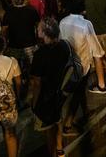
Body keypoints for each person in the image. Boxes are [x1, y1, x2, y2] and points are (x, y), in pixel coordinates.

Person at [59, 0, 106, 135]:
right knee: (78, 94)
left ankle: (59, 121)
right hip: (82, 66)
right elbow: (97, 51)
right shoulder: (85, 24)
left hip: (66, 65)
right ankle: (68, 124)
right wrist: (101, 79)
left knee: (64, 94)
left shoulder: (63, 22)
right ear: (83, 9)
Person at [28, 17, 70, 157]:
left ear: (44, 33)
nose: (37, 30)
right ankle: (60, 149)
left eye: (39, 28)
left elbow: (37, 83)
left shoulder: (40, 54)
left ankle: (52, 152)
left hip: (46, 96)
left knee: (48, 128)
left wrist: (34, 102)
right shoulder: (64, 46)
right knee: (58, 121)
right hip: (60, 91)